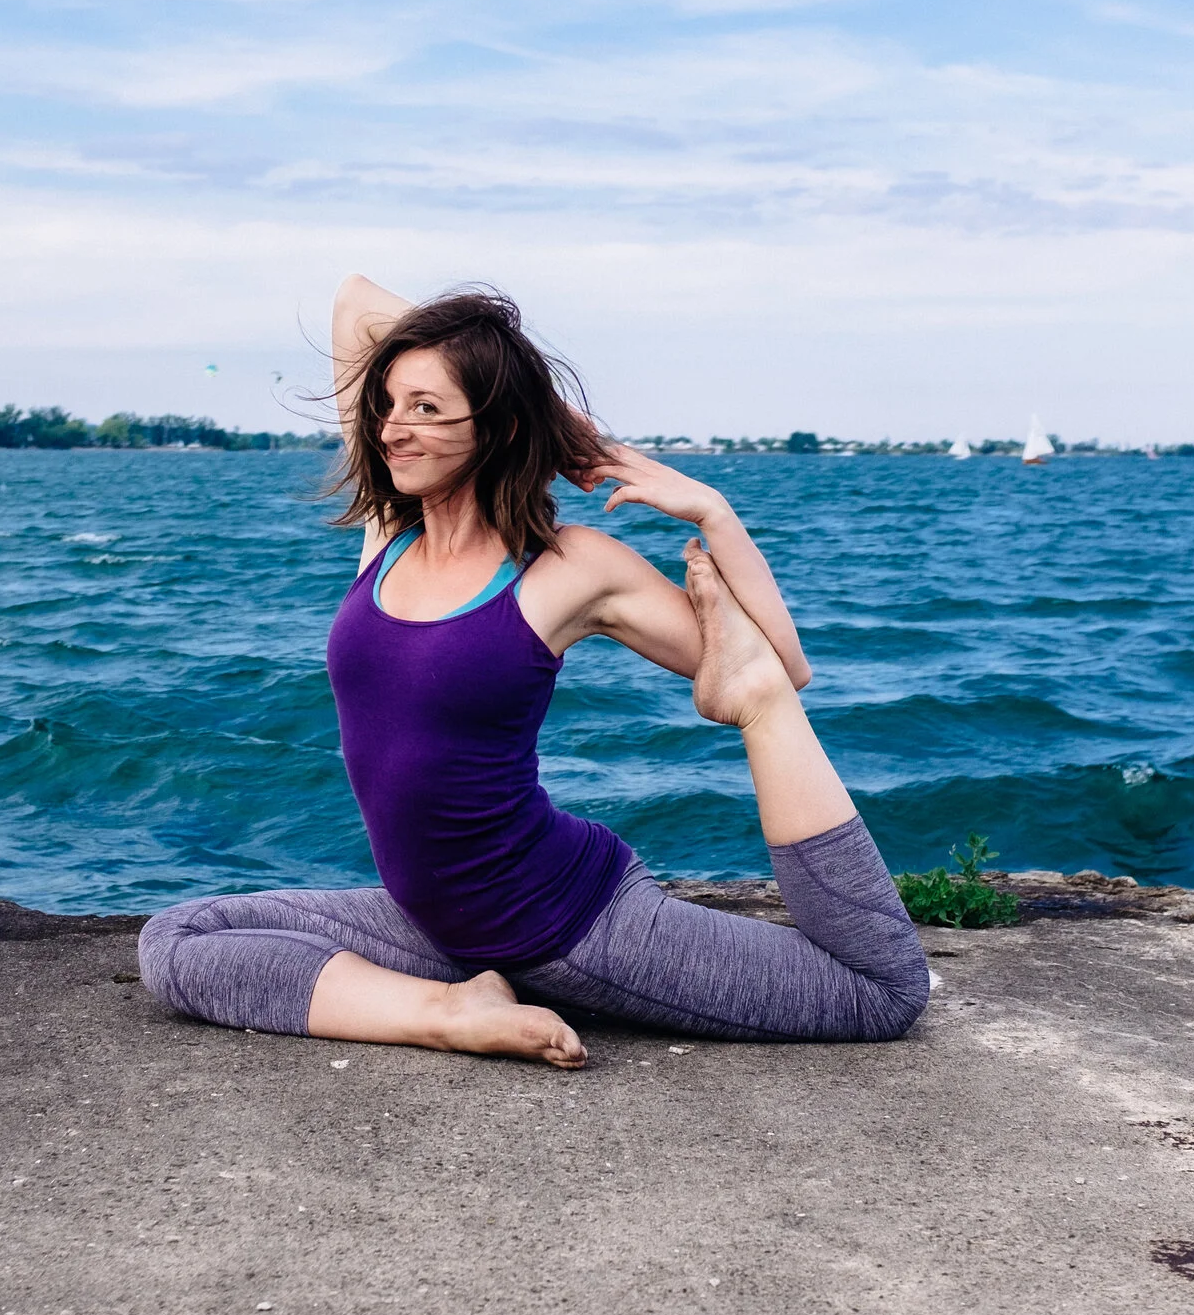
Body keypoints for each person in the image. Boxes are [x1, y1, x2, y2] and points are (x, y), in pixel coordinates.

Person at [137, 277, 929, 1066]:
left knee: (880, 994)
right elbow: (354, 303)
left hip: (569, 920)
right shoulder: (390, 536)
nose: (391, 429)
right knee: (177, 939)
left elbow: (778, 667)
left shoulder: (567, 568)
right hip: (437, 923)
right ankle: (447, 1010)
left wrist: (712, 512)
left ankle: (459, 1004)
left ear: (496, 427)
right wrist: (523, 398)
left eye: (425, 409)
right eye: (389, 404)